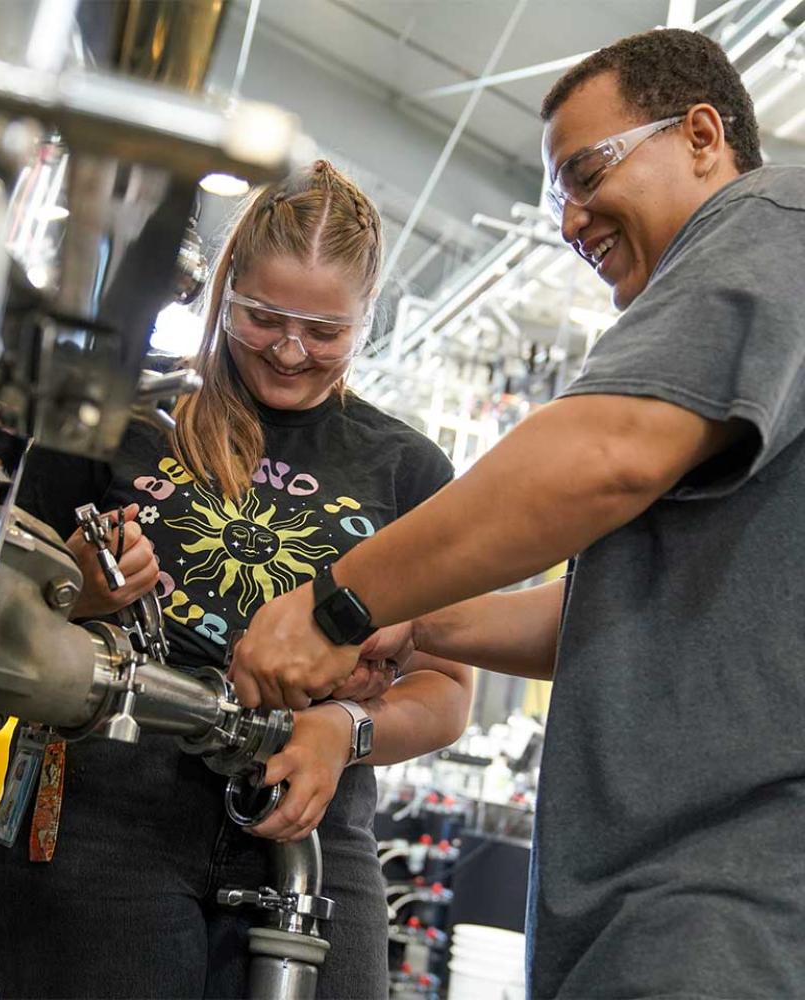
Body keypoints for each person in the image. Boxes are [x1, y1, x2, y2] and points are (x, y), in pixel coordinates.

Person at [229, 29, 805, 998]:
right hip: (671, 901)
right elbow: (628, 611)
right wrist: (424, 626)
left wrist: (342, 603)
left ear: (702, 135)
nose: (572, 221)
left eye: (588, 172)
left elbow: (599, 457)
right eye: (557, 198)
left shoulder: (767, 225)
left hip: (725, 898)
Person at [0, 159, 474, 999]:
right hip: (105, 817)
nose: (289, 350)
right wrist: (84, 595)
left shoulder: (410, 469)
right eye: (263, 317)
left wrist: (345, 729)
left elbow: (445, 690)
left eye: (325, 331)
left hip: (312, 823)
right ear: (225, 287)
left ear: (367, 319)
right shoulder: (121, 419)